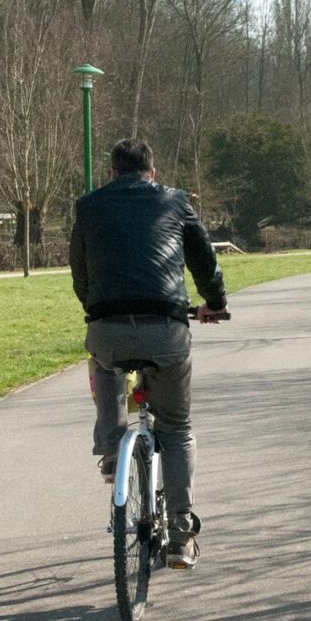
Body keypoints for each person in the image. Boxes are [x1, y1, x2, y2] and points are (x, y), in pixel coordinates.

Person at [70, 139, 228, 569]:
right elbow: (203, 259)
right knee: (176, 427)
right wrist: (214, 301)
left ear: (112, 172)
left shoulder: (88, 206)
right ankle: (180, 536)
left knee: (102, 361)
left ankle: (110, 447)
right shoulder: (175, 202)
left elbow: (80, 275)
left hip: (108, 328)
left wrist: (99, 309)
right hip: (165, 330)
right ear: (151, 171)